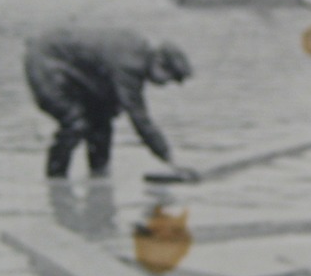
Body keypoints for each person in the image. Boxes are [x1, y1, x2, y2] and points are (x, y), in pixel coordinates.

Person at [23, 28, 195, 179]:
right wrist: (170, 158)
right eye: (168, 79)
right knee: (75, 122)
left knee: (101, 119)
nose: (165, 85)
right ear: (159, 63)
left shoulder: (137, 53)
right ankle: (56, 182)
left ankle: (98, 176)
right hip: (46, 61)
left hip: (71, 70)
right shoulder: (130, 63)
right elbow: (139, 117)